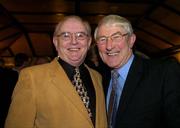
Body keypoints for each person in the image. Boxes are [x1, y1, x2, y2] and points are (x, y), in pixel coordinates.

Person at [5, 15, 107, 128]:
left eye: (80, 35)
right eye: (66, 36)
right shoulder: (32, 77)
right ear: (55, 42)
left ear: (88, 42)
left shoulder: (97, 77)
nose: (74, 41)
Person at [94, 14, 180, 128]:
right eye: (103, 39)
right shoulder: (99, 78)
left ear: (131, 40)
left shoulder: (164, 72)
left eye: (116, 37)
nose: (109, 46)